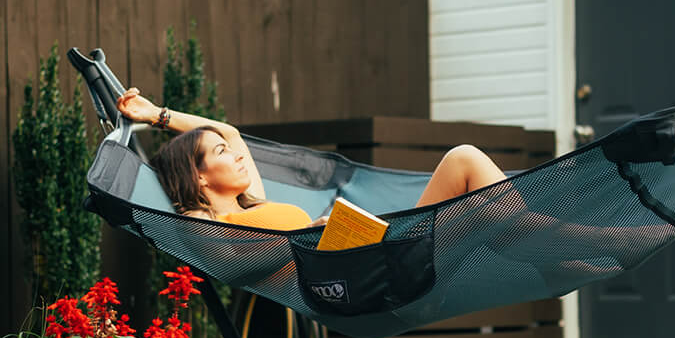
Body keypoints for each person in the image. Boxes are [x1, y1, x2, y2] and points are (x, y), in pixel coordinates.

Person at [115, 88, 509, 229]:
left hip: (385, 248)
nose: (236, 156)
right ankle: (556, 245)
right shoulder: (210, 224)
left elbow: (230, 132)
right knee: (464, 160)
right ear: (199, 178)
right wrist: (310, 239)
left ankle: (556, 249)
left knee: (480, 193)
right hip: (372, 274)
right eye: (220, 154)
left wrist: (157, 115)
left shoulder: (254, 202)